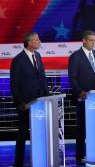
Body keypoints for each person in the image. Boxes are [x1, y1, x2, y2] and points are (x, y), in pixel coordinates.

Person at [68, 30, 95, 165]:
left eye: (94, 40)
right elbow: (73, 78)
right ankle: (80, 155)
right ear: (84, 40)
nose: (93, 42)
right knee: (82, 127)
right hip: (83, 98)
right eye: (91, 40)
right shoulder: (75, 56)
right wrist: (80, 92)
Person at [10, 32, 49, 167]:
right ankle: (18, 163)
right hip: (25, 104)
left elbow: (42, 79)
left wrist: (47, 96)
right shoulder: (18, 60)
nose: (39, 41)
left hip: (40, 103)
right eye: (37, 40)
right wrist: (20, 102)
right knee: (23, 133)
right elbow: (14, 84)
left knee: (39, 133)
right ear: (29, 42)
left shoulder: (37, 56)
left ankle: (39, 159)